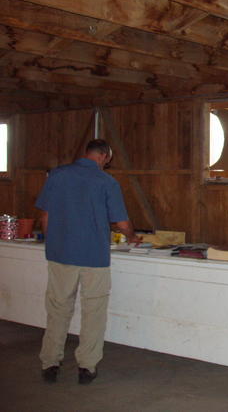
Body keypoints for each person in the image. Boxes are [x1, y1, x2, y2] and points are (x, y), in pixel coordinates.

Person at [35, 139, 141, 385]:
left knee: (58, 309)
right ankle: (87, 366)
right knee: (93, 312)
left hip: (60, 254)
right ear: (104, 156)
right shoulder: (107, 182)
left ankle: (50, 363)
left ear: (87, 153)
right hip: (94, 257)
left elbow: (45, 216)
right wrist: (132, 237)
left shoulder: (57, 175)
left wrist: (53, 244)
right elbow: (122, 223)